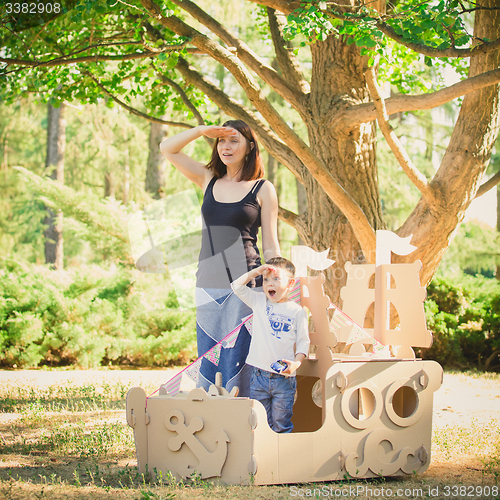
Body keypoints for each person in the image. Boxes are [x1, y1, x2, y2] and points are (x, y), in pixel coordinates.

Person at [160, 121, 280, 397]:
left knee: (239, 358)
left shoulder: (262, 189)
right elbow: (167, 148)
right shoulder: (208, 179)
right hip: (208, 284)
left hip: (247, 285)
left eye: (234, 140)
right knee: (209, 358)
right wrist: (202, 130)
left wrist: (276, 283)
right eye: (221, 141)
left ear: (250, 147)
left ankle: (244, 421)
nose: (226, 147)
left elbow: (271, 245)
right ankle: (211, 423)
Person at [231, 257, 310, 433]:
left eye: (276, 279)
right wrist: (255, 272)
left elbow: (304, 342)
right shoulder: (259, 302)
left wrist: (296, 364)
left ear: (290, 284)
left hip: (284, 379)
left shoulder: (297, 312)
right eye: (266, 280)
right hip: (258, 376)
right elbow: (236, 286)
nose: (269, 284)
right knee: (259, 424)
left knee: (281, 423)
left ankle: (281, 459)